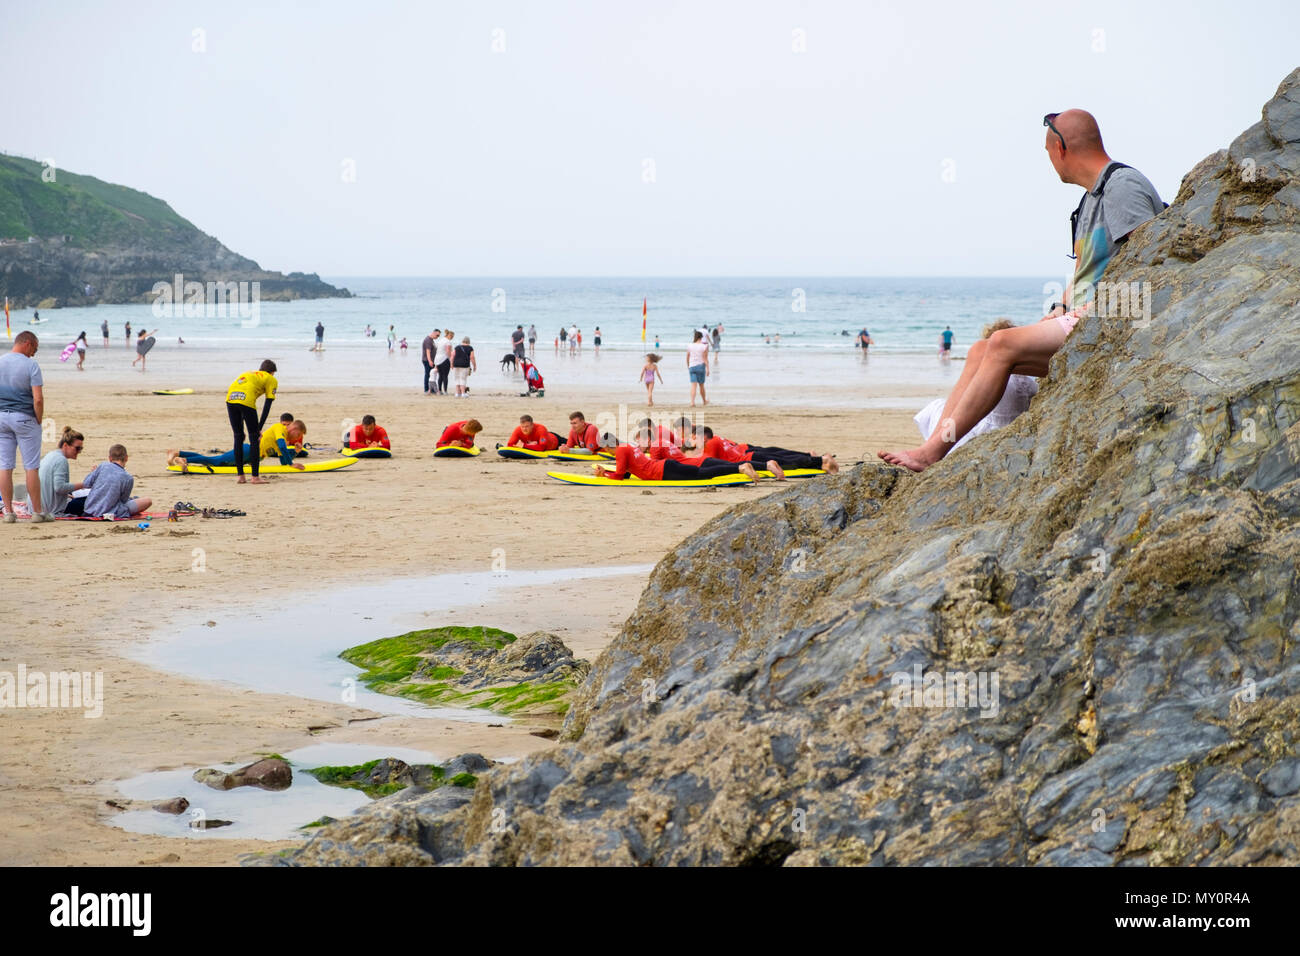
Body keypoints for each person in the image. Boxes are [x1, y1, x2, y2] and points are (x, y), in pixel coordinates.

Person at [880, 109, 1164, 472]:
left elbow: (1151, 257)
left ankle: (931, 452)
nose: (1049, 161)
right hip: (1080, 317)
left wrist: (1093, 309)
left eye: (1047, 152)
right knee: (982, 349)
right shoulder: (1089, 200)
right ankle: (937, 445)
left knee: (1001, 344)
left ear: (1060, 147)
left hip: (1110, 320)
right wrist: (1059, 308)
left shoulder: (1123, 186)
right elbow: (1082, 275)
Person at [914, 320, 1039, 452]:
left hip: (987, 431)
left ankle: (933, 444)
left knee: (938, 407)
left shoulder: (987, 375)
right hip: (1018, 428)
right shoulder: (1031, 377)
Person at [0, 332, 50, 523]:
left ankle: (9, 512)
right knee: (31, 466)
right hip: (24, 417)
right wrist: (39, 419)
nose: (34, 354)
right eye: (34, 349)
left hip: (1, 417)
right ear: (27, 344)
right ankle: (37, 512)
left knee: (5, 466)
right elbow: (37, 398)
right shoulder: (31, 365)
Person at [594, 427, 758, 483]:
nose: (605, 451)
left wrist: (604, 474)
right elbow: (628, 473)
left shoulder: (621, 450)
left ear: (609, 446)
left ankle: (740, 468)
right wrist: (608, 472)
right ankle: (740, 467)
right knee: (701, 472)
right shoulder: (626, 446)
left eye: (605, 448)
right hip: (665, 465)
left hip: (662, 471)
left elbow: (619, 476)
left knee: (702, 474)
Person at [691, 425, 840, 477]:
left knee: (788, 462)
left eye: (694, 438)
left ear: (703, 437)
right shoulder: (716, 438)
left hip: (748, 456)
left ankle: (821, 461)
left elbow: (708, 463)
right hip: (747, 451)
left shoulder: (710, 444)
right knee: (781, 455)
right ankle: (816, 458)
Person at [170, 419, 307, 472]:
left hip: (249, 457)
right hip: (247, 451)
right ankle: (185, 460)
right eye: (298, 435)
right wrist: (292, 463)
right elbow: (283, 447)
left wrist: (294, 453)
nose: (297, 438)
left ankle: (179, 453)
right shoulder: (280, 428)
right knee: (215, 461)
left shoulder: (282, 438)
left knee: (215, 460)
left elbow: (283, 460)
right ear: (293, 429)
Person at [224, 359, 279, 483]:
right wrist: (258, 428)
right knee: (254, 438)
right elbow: (267, 405)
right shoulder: (271, 379)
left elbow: (241, 396)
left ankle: (241, 476)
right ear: (272, 372)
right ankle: (255, 477)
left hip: (230, 399)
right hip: (246, 401)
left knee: (238, 436)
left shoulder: (248, 374)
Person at [82, 444, 152, 520]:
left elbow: (86, 483)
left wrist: (93, 473)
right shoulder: (128, 478)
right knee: (147, 501)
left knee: (132, 500)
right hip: (110, 512)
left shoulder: (103, 466)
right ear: (126, 458)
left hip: (89, 510)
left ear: (110, 458)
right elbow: (123, 500)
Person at [39, 427, 87, 516]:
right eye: (77, 448)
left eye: (81, 448)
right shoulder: (61, 460)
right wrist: (84, 484)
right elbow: (59, 488)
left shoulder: (49, 455)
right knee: (90, 499)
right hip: (52, 509)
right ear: (65, 445)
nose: (79, 451)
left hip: (39, 506)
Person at [686, 331, 710, 406]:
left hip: (692, 366)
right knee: (701, 385)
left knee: (693, 385)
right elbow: (705, 358)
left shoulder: (690, 345)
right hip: (700, 367)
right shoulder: (704, 346)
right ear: (701, 337)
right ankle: (704, 401)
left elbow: (687, 357)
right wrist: (708, 369)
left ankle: (692, 402)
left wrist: (688, 366)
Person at [436, 329, 454, 395]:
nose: (452, 338)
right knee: (445, 376)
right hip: (445, 359)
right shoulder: (448, 342)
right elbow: (448, 352)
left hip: (438, 360)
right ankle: (445, 391)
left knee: (440, 375)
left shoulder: (440, 340)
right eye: (452, 337)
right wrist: (451, 361)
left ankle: (439, 391)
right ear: (450, 335)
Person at [422, 329, 438, 394]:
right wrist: (430, 361)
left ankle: (431, 389)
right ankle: (426, 389)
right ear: (433, 333)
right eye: (437, 335)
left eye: (439, 336)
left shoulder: (431, 340)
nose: (437, 337)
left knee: (431, 375)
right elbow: (428, 351)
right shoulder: (428, 340)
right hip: (427, 360)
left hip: (430, 360)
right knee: (428, 375)